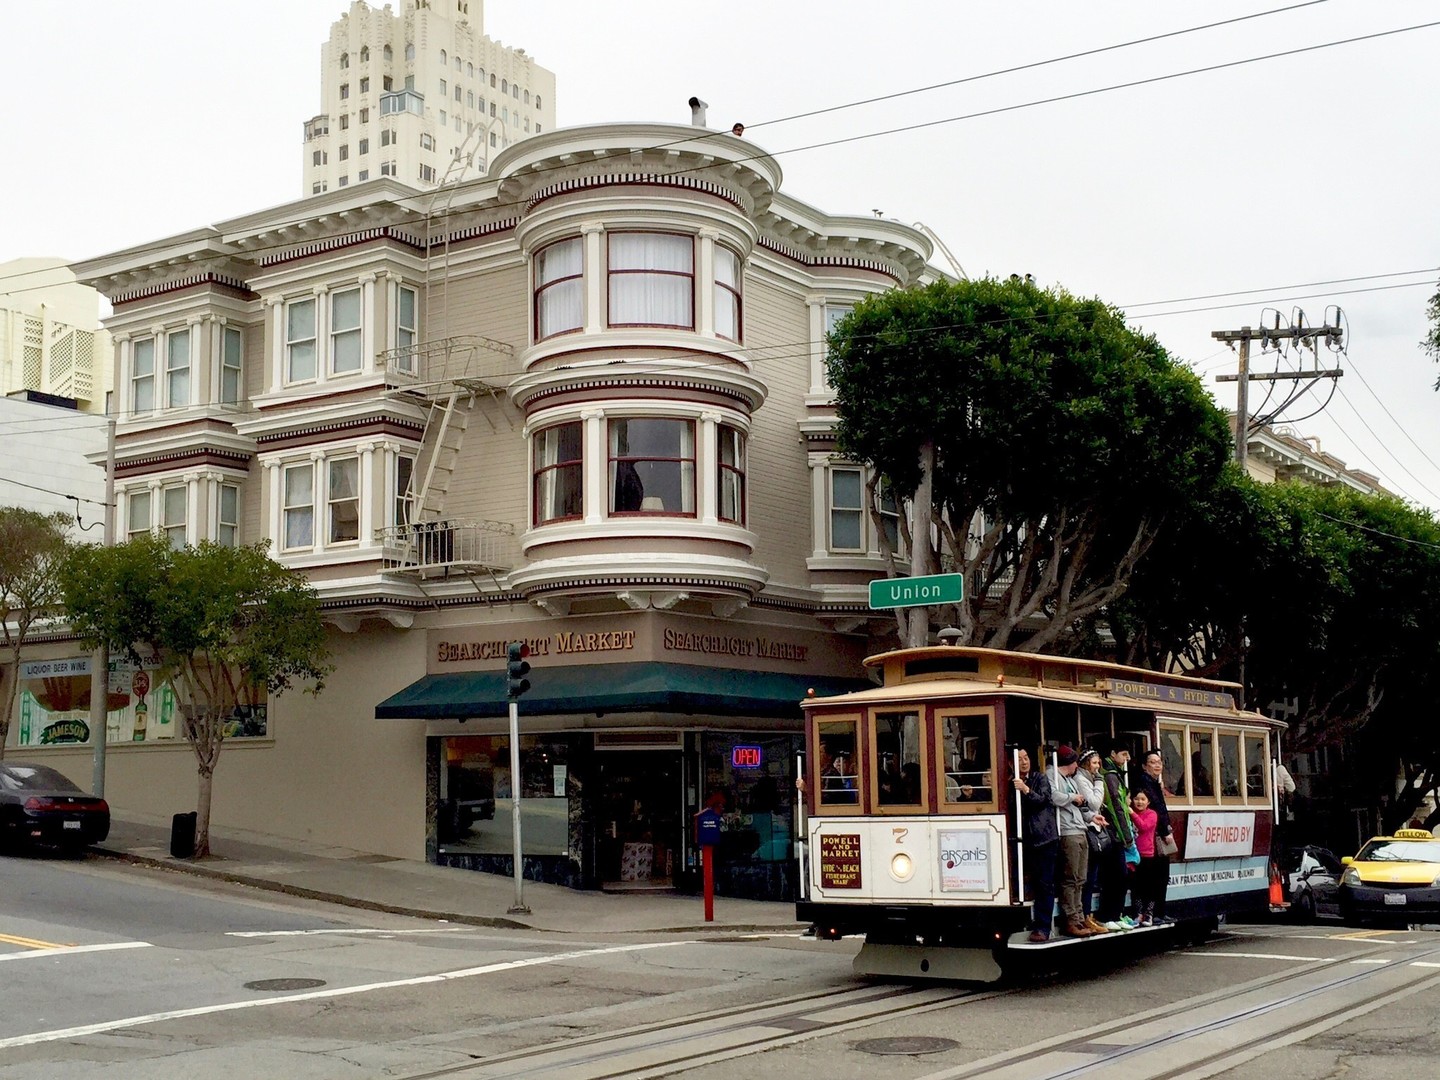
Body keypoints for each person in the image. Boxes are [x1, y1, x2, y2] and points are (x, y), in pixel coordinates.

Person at [1013, 748, 1060, 942]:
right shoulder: (1009, 781)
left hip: (1044, 839)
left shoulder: (1040, 778)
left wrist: (1025, 789)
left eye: (1026, 758)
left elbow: (1042, 800)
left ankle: (1043, 927)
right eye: (1019, 759)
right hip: (1024, 839)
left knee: (1044, 884)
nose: (1024, 762)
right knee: (1027, 881)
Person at [1048, 746, 1094, 938]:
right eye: (1075, 762)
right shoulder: (1052, 775)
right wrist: (1072, 797)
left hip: (1080, 829)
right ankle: (1071, 920)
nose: (1077, 766)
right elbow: (1053, 796)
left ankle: (1080, 917)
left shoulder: (1070, 780)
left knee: (1081, 878)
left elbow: (1080, 806)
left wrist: (1092, 817)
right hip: (1068, 831)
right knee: (1071, 878)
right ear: (1069, 762)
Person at [1134, 748, 1176, 924]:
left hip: (1157, 834)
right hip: (1154, 836)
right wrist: (1166, 831)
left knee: (1161, 876)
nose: (1157, 765)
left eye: (1159, 762)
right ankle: (1155, 913)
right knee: (1158, 876)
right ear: (1144, 766)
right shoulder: (1145, 783)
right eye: (1152, 762)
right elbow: (1157, 809)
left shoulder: (1154, 782)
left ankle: (1158, 912)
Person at [1097, 740, 1136, 930]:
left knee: (1118, 876)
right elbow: (1117, 807)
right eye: (1124, 754)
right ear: (1113, 754)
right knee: (1116, 876)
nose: (1127, 758)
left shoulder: (1113, 773)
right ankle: (1108, 915)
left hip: (1115, 832)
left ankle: (1115, 914)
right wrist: (1127, 836)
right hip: (1113, 833)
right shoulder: (1110, 776)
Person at [1074, 749, 1110, 934]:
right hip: (1087, 829)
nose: (1097, 767)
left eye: (1098, 763)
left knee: (1092, 875)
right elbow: (1095, 803)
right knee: (1087, 876)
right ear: (1086, 763)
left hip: (1094, 825)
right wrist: (1099, 782)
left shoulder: (1087, 778)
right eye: (1094, 763)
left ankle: (1087, 914)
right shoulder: (1081, 779)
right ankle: (1084, 915)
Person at [1129, 789, 1161, 925]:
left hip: (1147, 855)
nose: (1139, 802)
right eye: (1136, 799)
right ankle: (1138, 913)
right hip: (1132, 855)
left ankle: (1149, 914)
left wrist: (1132, 814)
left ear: (1148, 802)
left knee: (1148, 886)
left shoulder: (1152, 814)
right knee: (1136, 886)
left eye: (1143, 799)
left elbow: (1143, 827)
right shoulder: (1128, 814)